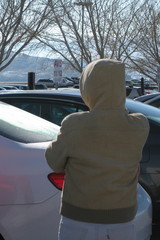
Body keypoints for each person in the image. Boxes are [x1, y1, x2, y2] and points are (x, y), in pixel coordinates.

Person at [45, 59, 149, 240]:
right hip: (122, 219)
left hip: (78, 219)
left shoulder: (74, 123)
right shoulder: (139, 124)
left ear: (88, 87)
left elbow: (54, 162)